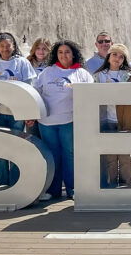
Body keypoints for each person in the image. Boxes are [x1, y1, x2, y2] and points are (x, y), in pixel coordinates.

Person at [30, 40, 94, 200]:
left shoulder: (82, 73)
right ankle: (53, 190)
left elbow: (91, 95)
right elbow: (35, 92)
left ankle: (72, 189)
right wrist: (31, 114)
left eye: (67, 52)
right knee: (52, 155)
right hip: (47, 122)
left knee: (69, 154)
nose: (63, 55)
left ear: (73, 54)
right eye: (60, 52)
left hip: (69, 121)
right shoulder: (47, 72)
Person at [0, 32, 37, 187]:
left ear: (13, 46)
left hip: (17, 113)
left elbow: (30, 88)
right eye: (1, 46)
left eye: (8, 45)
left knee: (16, 147)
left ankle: (15, 181)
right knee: (0, 147)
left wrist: (29, 112)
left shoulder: (22, 63)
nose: (5, 48)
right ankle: (2, 182)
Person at [93, 43, 131, 188]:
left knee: (124, 155)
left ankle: (127, 185)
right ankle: (111, 185)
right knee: (110, 156)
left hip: (124, 119)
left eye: (121, 56)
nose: (117, 58)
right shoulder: (99, 75)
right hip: (106, 120)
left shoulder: (129, 75)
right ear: (108, 56)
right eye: (114, 54)